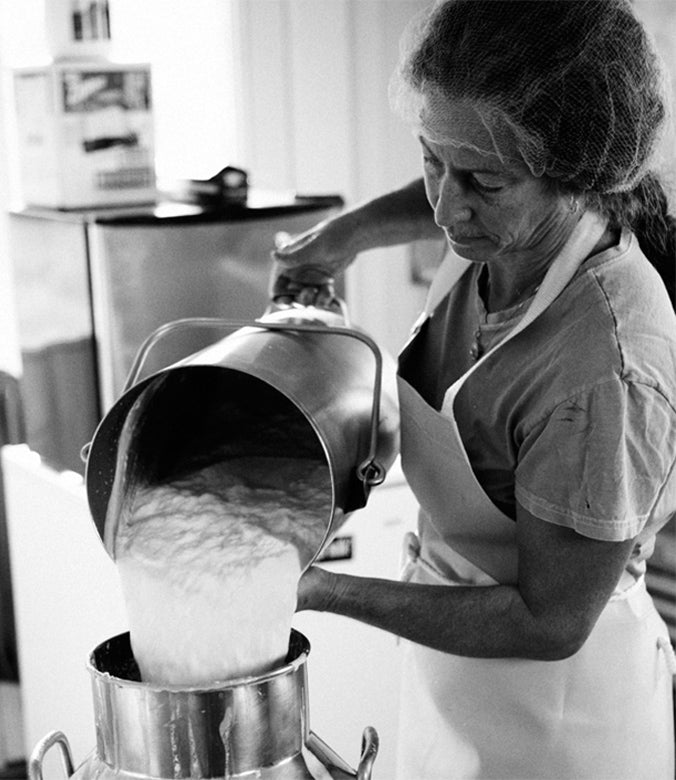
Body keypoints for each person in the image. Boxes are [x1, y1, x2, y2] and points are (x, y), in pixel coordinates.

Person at [272, 1, 676, 778]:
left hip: (560, 725)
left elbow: (549, 621)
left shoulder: (603, 367)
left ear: (574, 175)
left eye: (482, 182)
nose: (446, 210)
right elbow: (464, 169)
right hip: (453, 691)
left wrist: (319, 590)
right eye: (431, 161)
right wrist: (344, 236)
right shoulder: (498, 230)